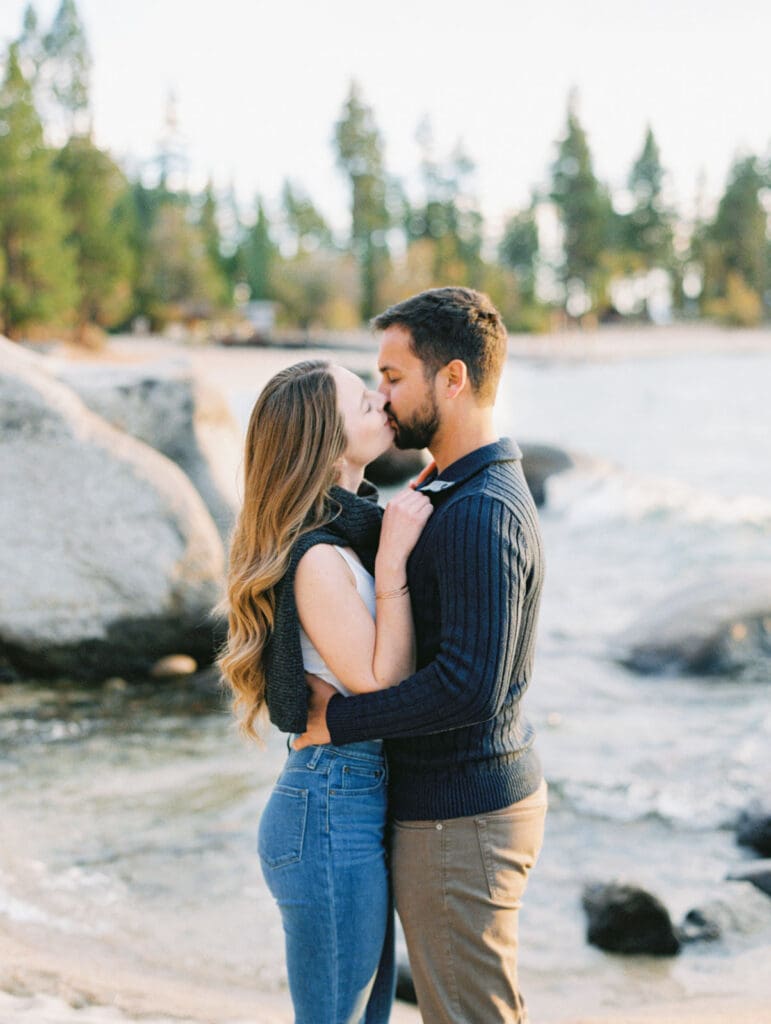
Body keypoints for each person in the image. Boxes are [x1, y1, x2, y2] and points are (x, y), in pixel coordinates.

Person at [294, 287, 548, 1024]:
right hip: (450, 809)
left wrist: (335, 721)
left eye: (394, 378)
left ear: (454, 379)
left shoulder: (480, 511)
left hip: (461, 819)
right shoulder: (443, 486)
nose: (383, 395)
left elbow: (468, 689)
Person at [217, 359, 432, 1024]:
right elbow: (378, 684)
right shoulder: (319, 557)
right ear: (323, 439)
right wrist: (394, 561)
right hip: (330, 805)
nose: (379, 401)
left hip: (346, 801)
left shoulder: (347, 537)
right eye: (360, 400)